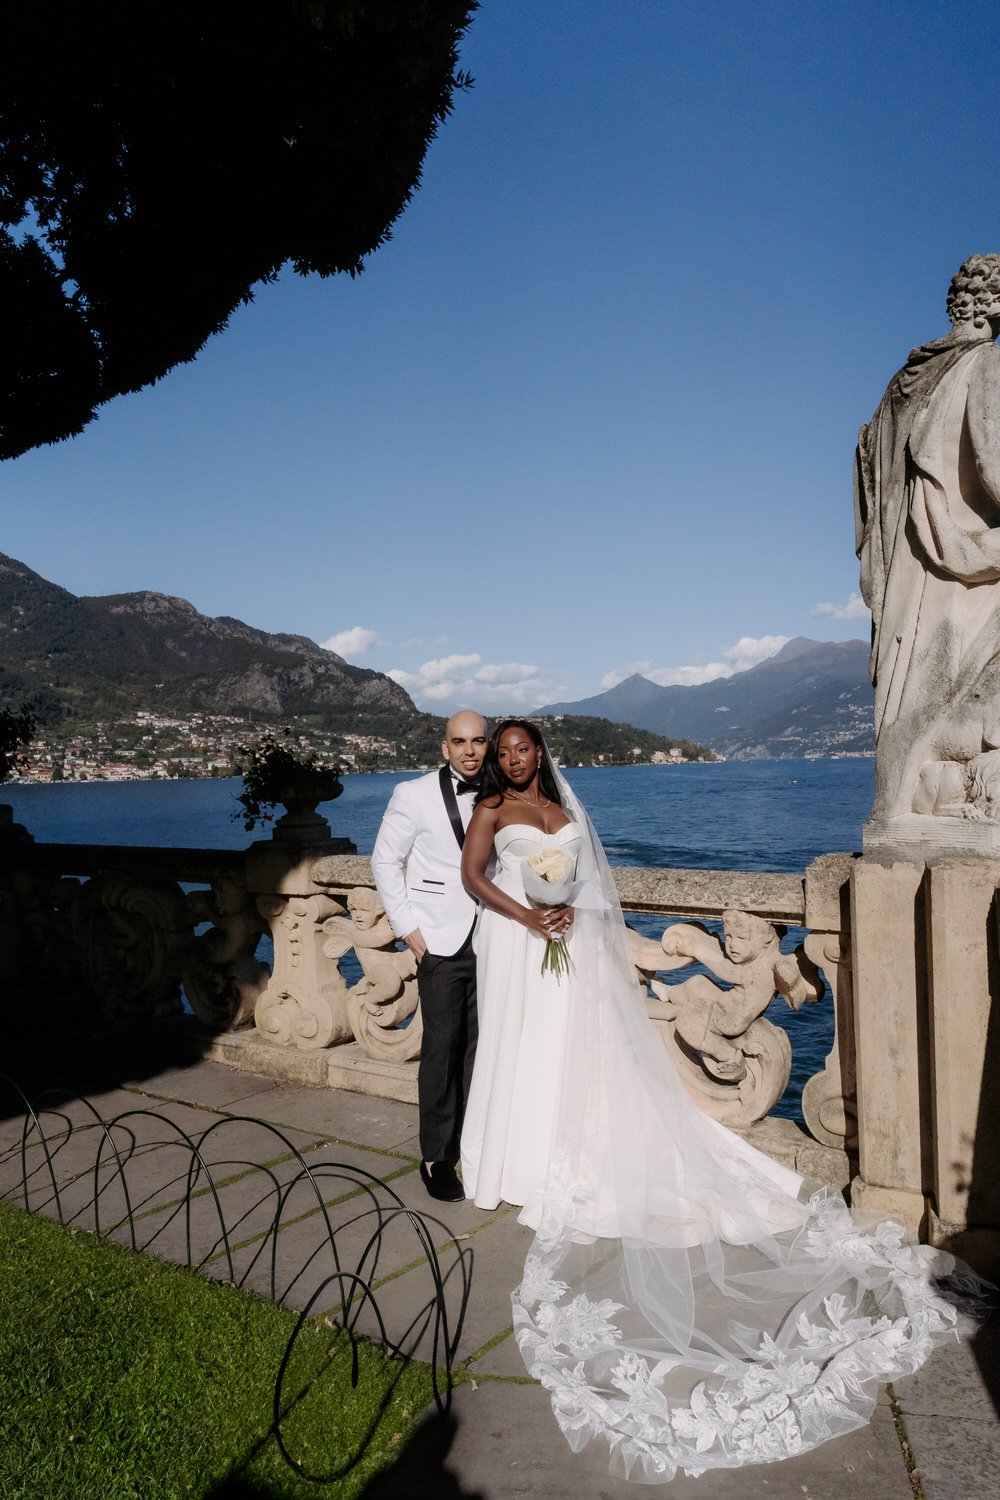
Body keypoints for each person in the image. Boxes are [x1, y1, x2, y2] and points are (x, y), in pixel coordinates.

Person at [459, 719, 980, 1484]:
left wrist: (566, 911)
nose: (510, 759)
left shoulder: (569, 809)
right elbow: (476, 878)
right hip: (516, 944)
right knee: (520, 1049)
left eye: (520, 747)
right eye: (501, 752)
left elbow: (588, 882)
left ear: (539, 752)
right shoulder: (491, 813)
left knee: (569, 1053)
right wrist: (528, 914)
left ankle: (559, 1152)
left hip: (563, 942)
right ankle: (518, 1156)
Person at [856, 253, 1000, 822]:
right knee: (942, 686)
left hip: (907, 565)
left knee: (908, 697)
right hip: (957, 566)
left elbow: (871, 474)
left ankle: (894, 811)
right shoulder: (983, 364)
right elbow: (992, 467)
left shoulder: (905, 383)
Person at [372, 709, 487, 1202]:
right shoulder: (412, 795)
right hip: (438, 941)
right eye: (459, 741)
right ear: (444, 748)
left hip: (496, 941)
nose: (469, 750)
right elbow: (384, 861)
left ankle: (479, 1145)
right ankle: (437, 1157)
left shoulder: (505, 791)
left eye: (479, 741)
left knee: (483, 1050)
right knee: (441, 1052)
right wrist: (407, 928)